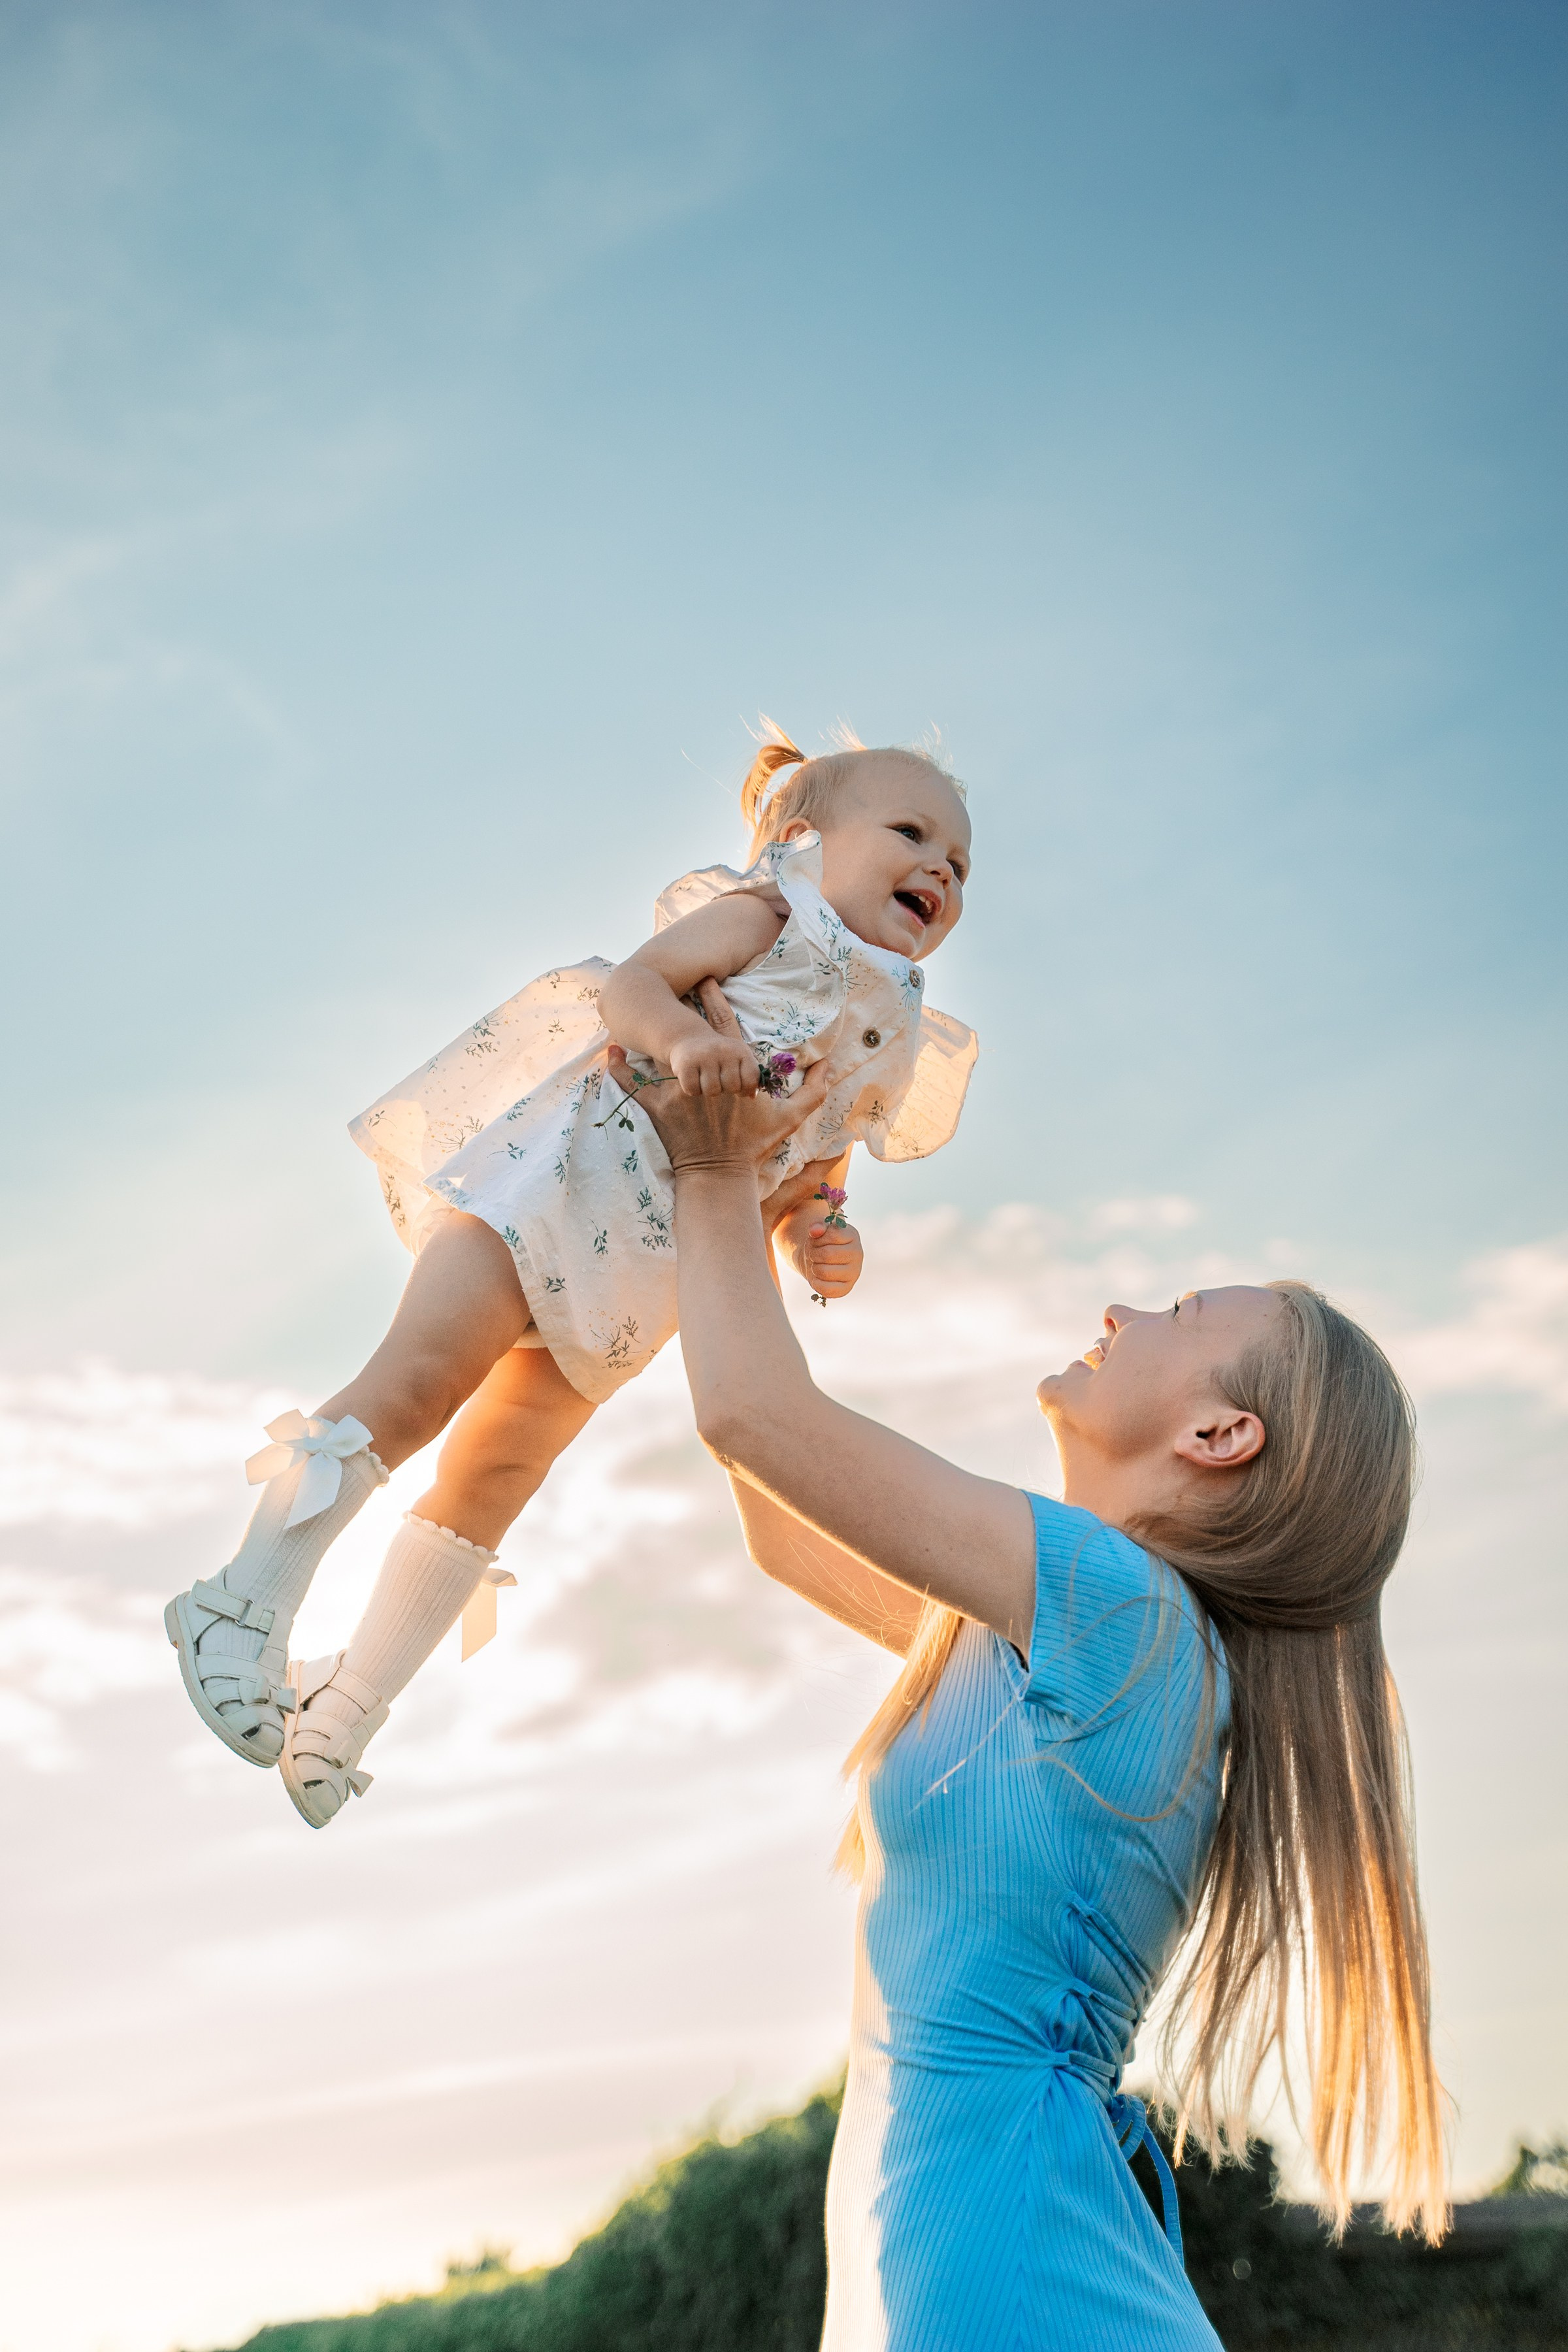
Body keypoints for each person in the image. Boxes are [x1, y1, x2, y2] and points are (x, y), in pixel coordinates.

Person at [623, 1041, 1447, 2350]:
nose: (1124, 1312)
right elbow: (781, 1520)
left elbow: (756, 1419)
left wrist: (717, 1167)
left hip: (1004, 2264)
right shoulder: (1088, 1648)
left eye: (1179, 1315)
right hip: (985, 2248)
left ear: (1220, 1437)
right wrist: (734, 1218)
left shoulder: (1119, 1612)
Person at [165, 727, 977, 1827]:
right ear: (802, 841)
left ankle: (347, 1703)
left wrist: (823, 1236)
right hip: (555, 1186)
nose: (939, 868)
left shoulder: (898, 1029)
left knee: (499, 1473)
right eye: (913, 833)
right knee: (417, 1386)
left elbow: (814, 1169)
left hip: (652, 1273)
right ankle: (239, 1602)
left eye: (960, 865)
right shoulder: (768, 918)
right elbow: (636, 988)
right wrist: (687, 1045)